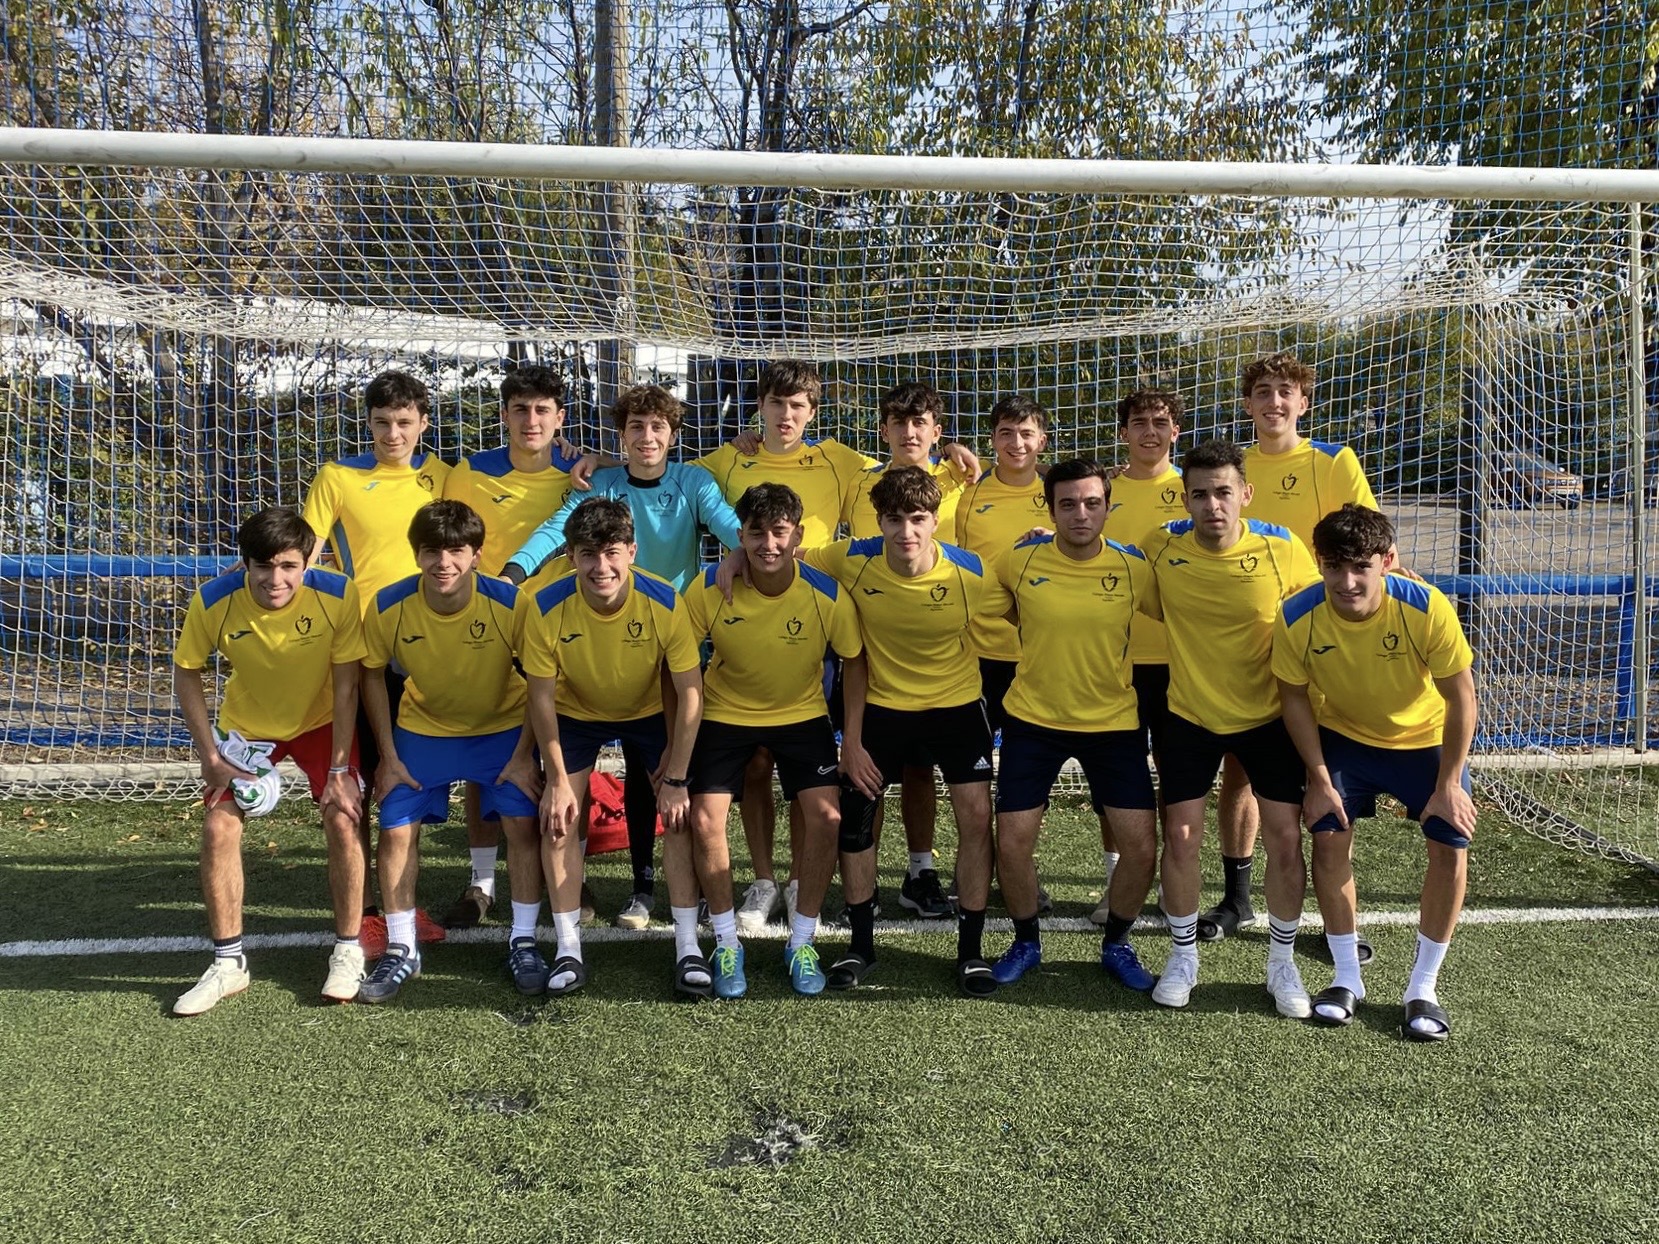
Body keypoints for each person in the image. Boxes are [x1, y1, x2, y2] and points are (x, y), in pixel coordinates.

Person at [506, 385, 741, 931]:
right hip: (604, 639)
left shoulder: (693, 482)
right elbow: (558, 529)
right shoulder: (604, 484)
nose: (647, 437)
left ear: (673, 434)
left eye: (658, 427)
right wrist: (514, 571)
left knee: (656, 772)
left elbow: (728, 523)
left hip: (670, 645)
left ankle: (666, 890)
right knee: (607, 770)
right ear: (622, 435)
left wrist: (744, 553)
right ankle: (633, 889)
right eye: (636, 426)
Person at [1274, 504, 1476, 1040]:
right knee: (1328, 834)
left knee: (1450, 843)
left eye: (1361, 566)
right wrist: (1319, 780)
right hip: (1346, 738)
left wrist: (1449, 784)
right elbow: (1293, 698)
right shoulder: (1296, 615)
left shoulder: (1425, 607)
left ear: (1387, 561)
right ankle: (1346, 977)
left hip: (1424, 742)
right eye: (1334, 567)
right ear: (1318, 563)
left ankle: (1423, 988)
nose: (1347, 581)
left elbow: (1461, 698)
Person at [1206, 351, 1382, 948]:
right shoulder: (1234, 467)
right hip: (1248, 640)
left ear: (1303, 402)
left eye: (1285, 391)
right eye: (1263, 391)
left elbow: (1367, 541)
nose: (1274, 401)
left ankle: (1333, 918)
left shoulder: (1333, 461)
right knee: (1240, 771)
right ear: (1247, 404)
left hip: (1319, 637)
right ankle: (1237, 897)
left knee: (1322, 774)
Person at [1139, 438, 1318, 1016]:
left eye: (1223, 492)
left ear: (1246, 493)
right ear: (1184, 499)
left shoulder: (1282, 549)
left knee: (1285, 838)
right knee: (1181, 837)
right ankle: (1182, 955)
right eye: (1199, 494)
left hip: (1268, 718)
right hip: (1189, 715)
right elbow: (1117, 577)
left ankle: (1282, 963)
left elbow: (1322, 609)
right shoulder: (1160, 548)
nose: (1212, 505)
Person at [805, 467, 997, 996]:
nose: (905, 532)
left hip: (957, 708)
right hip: (883, 710)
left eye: (917, 519)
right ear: (879, 521)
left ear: (935, 520)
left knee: (976, 818)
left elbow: (1023, 590)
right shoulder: (852, 558)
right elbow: (784, 555)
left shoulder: (972, 573)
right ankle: (860, 947)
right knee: (856, 821)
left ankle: (971, 952)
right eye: (893, 519)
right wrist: (732, 559)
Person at [170, 507, 368, 1015]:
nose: (275, 579)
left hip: (323, 722)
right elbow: (186, 671)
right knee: (218, 827)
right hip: (250, 728)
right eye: (263, 566)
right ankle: (228, 963)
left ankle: (348, 950)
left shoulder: (339, 594)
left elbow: (347, 685)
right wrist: (209, 756)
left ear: (306, 563)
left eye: (288, 566)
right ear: (245, 564)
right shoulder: (213, 600)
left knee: (344, 817)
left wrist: (340, 771)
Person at [982, 459, 1160, 992]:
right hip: (1033, 721)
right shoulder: (1020, 560)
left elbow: (1187, 607)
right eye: (1067, 504)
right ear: (1050, 508)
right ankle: (1026, 942)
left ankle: (1117, 943)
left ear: (1107, 506)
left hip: (1113, 723)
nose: (1080, 514)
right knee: (1012, 843)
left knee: (1141, 848)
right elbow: (999, 603)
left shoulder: (1134, 567)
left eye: (1091, 503)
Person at [681, 483, 864, 998]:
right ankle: (726, 943)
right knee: (703, 820)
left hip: (801, 715)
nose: (768, 544)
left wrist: (852, 739)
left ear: (798, 534)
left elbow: (855, 662)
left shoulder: (826, 594)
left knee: (828, 818)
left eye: (779, 532)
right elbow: (678, 664)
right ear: (739, 536)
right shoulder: (708, 588)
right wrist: (677, 746)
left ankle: (801, 942)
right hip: (725, 714)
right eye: (756, 533)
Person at [358, 500, 545, 1002]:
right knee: (395, 831)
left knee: (523, 825)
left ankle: (524, 940)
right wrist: (388, 756)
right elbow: (370, 674)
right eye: (432, 551)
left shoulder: (511, 603)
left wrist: (524, 755)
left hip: (502, 729)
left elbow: (540, 679)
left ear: (476, 555)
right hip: (423, 731)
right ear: (416, 554)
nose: (444, 562)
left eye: (456, 551)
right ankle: (402, 946)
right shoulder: (388, 605)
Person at [519, 497, 704, 995]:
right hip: (576, 714)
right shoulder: (545, 606)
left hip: (649, 712)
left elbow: (690, 692)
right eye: (588, 554)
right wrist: (557, 781)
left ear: (632, 552)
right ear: (570, 556)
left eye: (612, 553)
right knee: (559, 820)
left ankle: (688, 947)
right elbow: (540, 698)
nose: (601, 567)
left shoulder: (665, 601)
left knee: (679, 817)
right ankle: (568, 951)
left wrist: (677, 777)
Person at [301, 369, 450, 956]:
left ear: (423, 424)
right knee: (360, 783)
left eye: (404, 422)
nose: (393, 433)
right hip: (361, 651)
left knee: (405, 781)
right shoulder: (337, 477)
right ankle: (364, 912)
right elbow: (304, 553)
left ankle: (401, 905)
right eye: (382, 422)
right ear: (368, 423)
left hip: (426, 651)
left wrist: (584, 456)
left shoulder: (444, 475)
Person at [436, 366, 582, 931]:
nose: (531, 420)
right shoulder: (470, 472)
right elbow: (450, 541)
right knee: (487, 753)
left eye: (543, 410)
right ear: (504, 415)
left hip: (562, 624)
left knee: (566, 750)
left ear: (560, 418)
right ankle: (482, 881)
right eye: (520, 409)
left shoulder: (581, 472)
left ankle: (570, 873)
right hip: (489, 625)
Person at [839, 381, 976, 921]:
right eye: (899, 422)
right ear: (883, 430)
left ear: (937, 431)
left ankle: (921, 872)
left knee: (923, 769)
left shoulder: (961, 475)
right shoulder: (857, 479)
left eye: (920, 423)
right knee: (865, 775)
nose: (909, 432)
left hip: (945, 645)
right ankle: (859, 886)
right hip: (872, 648)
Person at [1096, 388, 1189, 923]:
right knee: (1116, 779)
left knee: (1177, 779)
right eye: (1139, 422)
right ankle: (1116, 879)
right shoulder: (1103, 491)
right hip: (1111, 659)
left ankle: (1174, 881)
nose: (1149, 431)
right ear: (1123, 431)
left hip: (1180, 662)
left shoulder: (1194, 488)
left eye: (1159, 422)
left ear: (1175, 430)